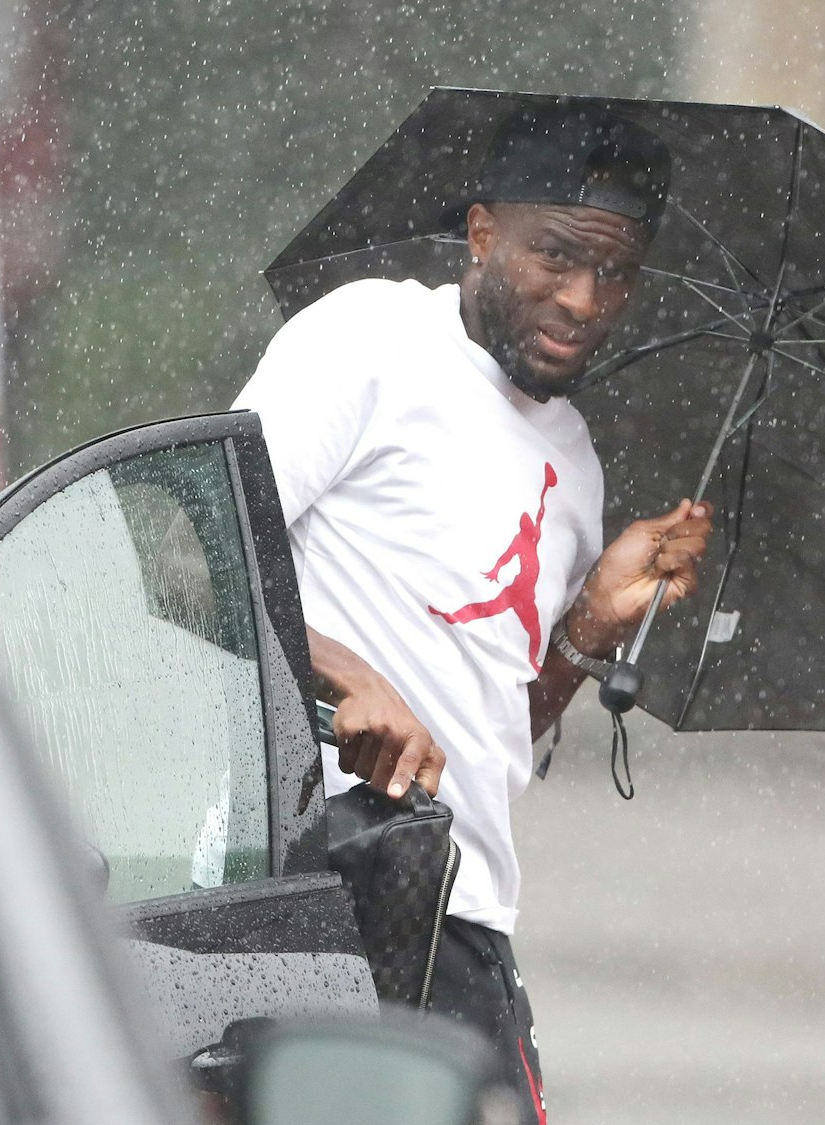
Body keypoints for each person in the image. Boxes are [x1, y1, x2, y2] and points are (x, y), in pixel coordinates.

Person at [232, 103, 713, 1122]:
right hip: (309, 876)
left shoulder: (571, 462)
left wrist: (590, 624)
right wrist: (348, 681)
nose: (585, 300)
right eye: (557, 257)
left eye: (616, 273)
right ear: (483, 233)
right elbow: (198, 558)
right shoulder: (369, 340)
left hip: (459, 910)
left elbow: (500, 728)